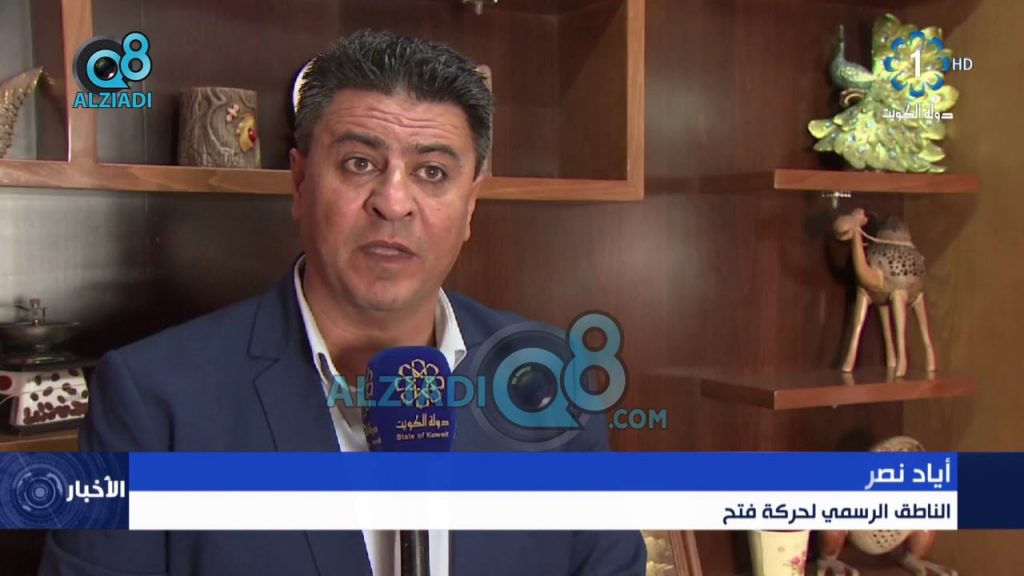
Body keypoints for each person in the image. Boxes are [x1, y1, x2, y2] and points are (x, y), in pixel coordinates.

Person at [38, 30, 646, 576]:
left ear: (471, 206)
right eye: (360, 163)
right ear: (301, 183)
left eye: (433, 172)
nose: (393, 202)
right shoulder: (152, 400)